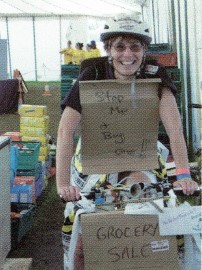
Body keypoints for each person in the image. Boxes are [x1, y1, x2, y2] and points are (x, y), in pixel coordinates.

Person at [56, 13, 198, 270]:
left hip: (143, 150)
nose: (127, 55)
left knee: (152, 204)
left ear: (144, 50)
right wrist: (63, 183)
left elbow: (174, 128)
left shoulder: (156, 75)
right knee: (84, 216)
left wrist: (184, 173)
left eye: (135, 47)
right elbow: (66, 131)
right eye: (119, 46)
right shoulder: (91, 74)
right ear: (109, 50)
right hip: (94, 151)